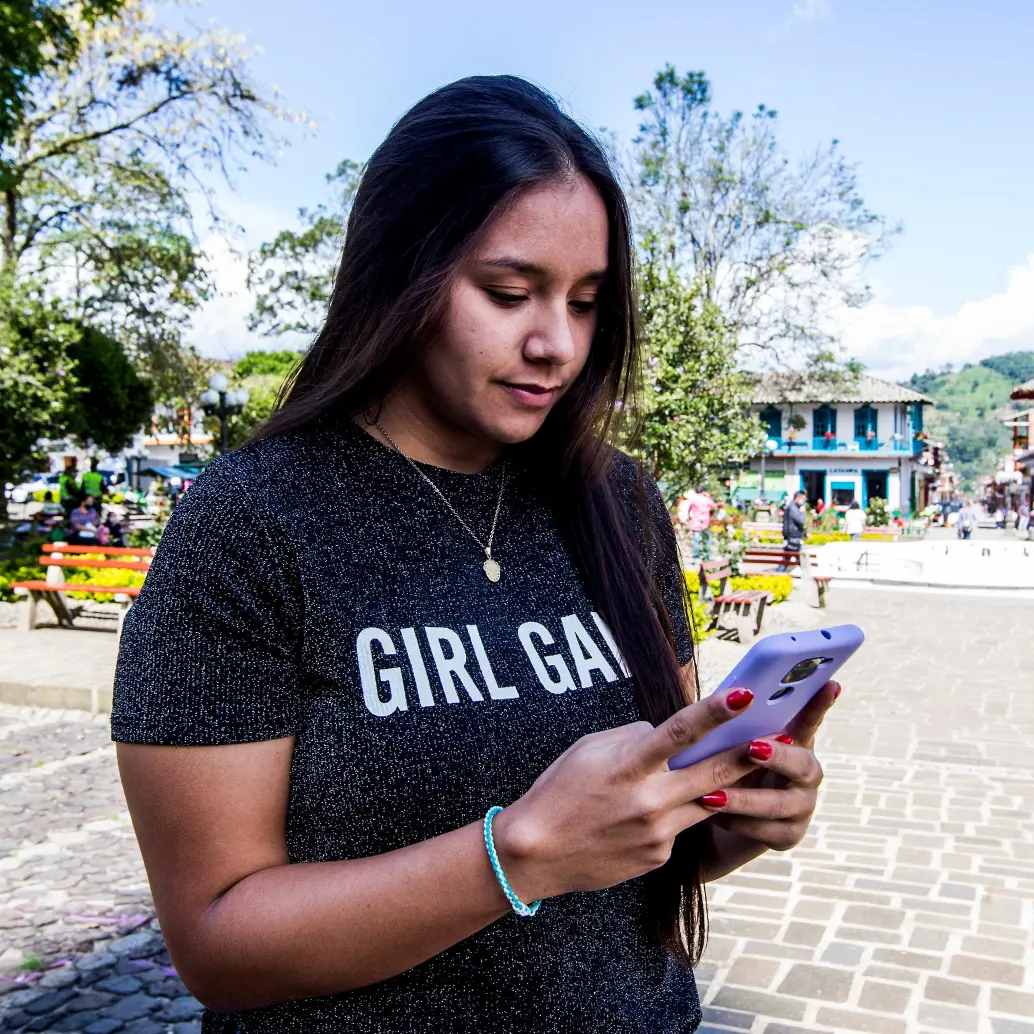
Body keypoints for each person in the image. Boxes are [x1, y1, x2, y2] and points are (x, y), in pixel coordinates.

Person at [112, 77, 839, 1034]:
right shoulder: (252, 525)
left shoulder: (617, 499)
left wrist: (728, 818)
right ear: (398, 275)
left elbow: (634, 852)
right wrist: (514, 855)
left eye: (585, 303)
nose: (556, 346)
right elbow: (217, 944)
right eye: (508, 293)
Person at [687, 488, 715, 560]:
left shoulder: (694, 499)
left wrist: (690, 517)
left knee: (696, 540)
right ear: (703, 492)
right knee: (707, 539)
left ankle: (696, 557)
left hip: (695, 522)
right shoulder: (706, 499)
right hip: (705, 522)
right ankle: (707, 556)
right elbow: (713, 506)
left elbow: (689, 509)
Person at [782, 490, 807, 566]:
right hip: (793, 537)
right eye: (803, 499)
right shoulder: (793, 508)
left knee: (786, 560)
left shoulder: (793, 507)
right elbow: (801, 521)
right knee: (799, 559)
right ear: (798, 498)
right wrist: (802, 512)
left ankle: (779, 572)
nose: (804, 501)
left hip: (792, 537)